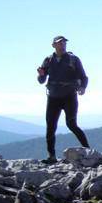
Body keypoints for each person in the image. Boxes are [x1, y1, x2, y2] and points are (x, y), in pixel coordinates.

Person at [36, 35, 90, 164]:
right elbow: (41, 80)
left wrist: (83, 87)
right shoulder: (48, 60)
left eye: (64, 43)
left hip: (69, 96)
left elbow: (84, 77)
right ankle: (51, 156)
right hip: (53, 97)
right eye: (59, 43)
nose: (63, 45)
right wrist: (41, 75)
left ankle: (88, 151)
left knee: (71, 124)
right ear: (53, 45)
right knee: (50, 126)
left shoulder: (73, 59)